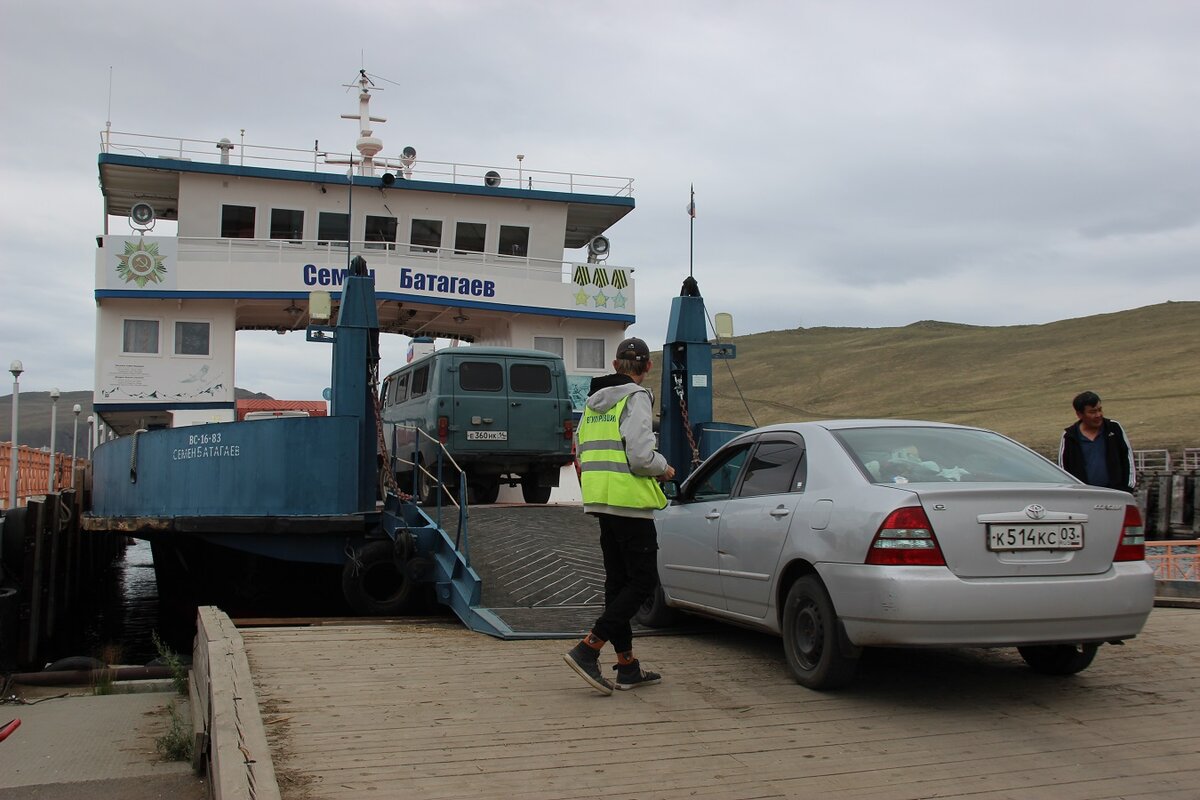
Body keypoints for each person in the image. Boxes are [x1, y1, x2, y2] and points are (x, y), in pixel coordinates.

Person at [564, 336, 675, 695]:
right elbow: (642, 457)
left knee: (617, 583)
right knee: (642, 583)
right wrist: (664, 469)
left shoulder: (594, 403)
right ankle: (588, 647)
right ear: (648, 367)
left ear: (614, 366)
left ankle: (627, 666)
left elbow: (583, 450)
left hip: (600, 502)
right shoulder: (636, 397)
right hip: (629, 503)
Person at [1057, 391, 1136, 493]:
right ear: (1079, 414)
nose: (1098, 415)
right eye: (1092, 412)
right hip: (1084, 496)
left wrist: (1127, 489)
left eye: (1100, 410)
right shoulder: (1069, 436)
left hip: (1116, 494)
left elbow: (1128, 458)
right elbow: (1063, 469)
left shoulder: (1114, 428)